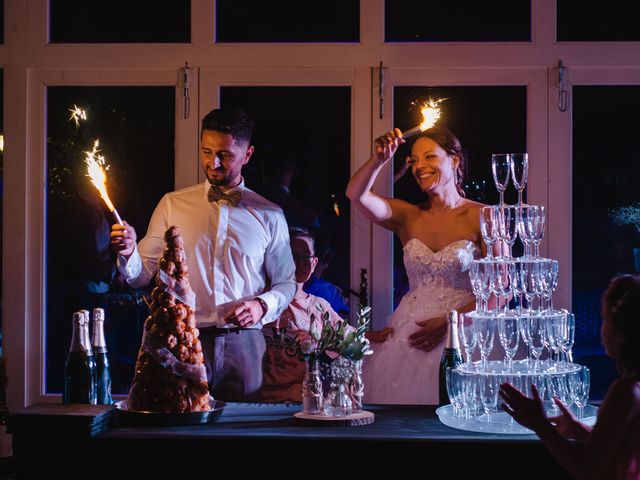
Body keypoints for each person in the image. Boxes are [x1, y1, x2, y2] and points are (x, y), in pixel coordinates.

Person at [110, 107, 296, 402]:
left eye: (225, 155)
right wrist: (129, 251)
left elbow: (287, 283)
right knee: (183, 434)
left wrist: (262, 305)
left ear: (248, 154)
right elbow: (140, 273)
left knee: (243, 434)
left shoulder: (270, 215)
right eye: (206, 151)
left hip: (245, 344)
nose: (213, 163)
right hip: (182, 339)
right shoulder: (172, 205)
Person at [346, 126, 487, 405]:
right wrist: (379, 159)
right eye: (414, 160)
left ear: (454, 161)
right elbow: (355, 194)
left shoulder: (484, 216)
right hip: (408, 336)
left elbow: (501, 293)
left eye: (429, 157)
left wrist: (450, 322)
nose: (419, 166)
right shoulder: (407, 216)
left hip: (467, 336)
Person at [499, 274, 640, 480]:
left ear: (621, 331)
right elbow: (620, 447)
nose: (602, 329)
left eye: (605, 320)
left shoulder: (624, 392)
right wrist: (578, 430)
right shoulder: (634, 386)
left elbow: (587, 469)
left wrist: (540, 424)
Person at [261, 226, 342, 403]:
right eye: (291, 257)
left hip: (309, 402)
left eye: (305, 258)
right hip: (262, 403)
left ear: (314, 263)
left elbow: (346, 339)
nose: (298, 264)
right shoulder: (260, 304)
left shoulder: (320, 307)